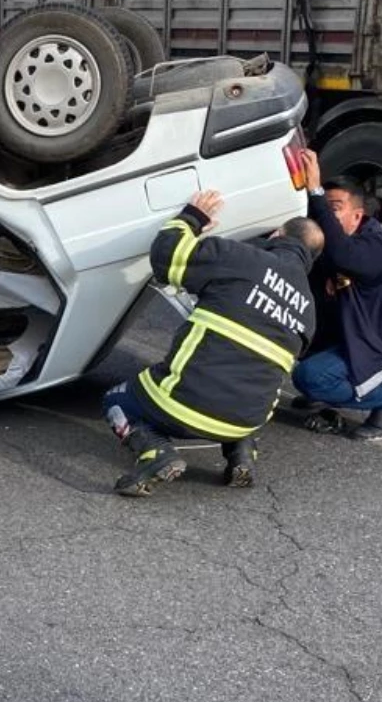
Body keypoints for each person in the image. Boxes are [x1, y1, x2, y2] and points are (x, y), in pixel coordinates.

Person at [104, 191, 323, 496]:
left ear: (277, 234)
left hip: (182, 406)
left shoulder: (243, 259)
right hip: (246, 422)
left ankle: (156, 452)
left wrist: (192, 217)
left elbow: (167, 257)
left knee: (116, 400)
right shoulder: (309, 310)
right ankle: (241, 455)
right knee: (247, 376)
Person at [292, 150, 382, 439]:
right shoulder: (332, 242)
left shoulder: (375, 247)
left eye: (334, 207)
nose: (324, 214)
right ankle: (327, 391)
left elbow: (342, 255)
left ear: (357, 215)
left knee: (310, 378)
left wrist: (315, 191)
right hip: (350, 337)